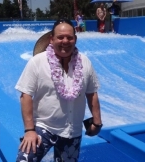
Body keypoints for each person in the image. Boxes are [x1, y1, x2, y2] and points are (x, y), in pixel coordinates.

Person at [15, 19, 102, 162]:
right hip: (44, 128)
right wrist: (29, 131)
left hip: (72, 131)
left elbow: (91, 92)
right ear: (51, 39)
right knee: (24, 160)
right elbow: (26, 96)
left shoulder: (84, 61)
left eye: (69, 37)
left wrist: (97, 122)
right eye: (60, 37)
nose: (65, 41)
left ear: (75, 39)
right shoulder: (37, 62)